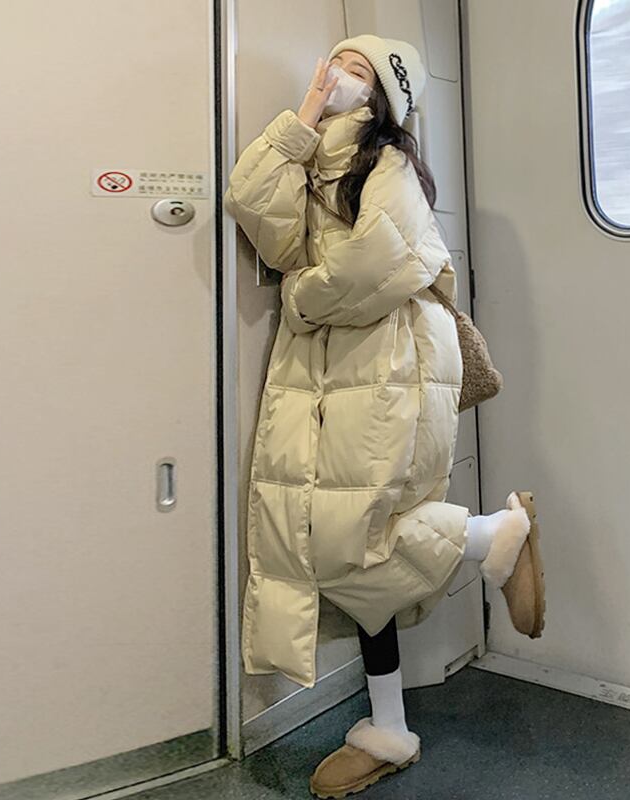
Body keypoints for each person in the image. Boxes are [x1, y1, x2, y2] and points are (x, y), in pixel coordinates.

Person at [224, 33, 545, 799]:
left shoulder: (389, 161)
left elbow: (383, 261)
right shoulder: (313, 161)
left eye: (358, 69)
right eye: (336, 62)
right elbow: (256, 212)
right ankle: (390, 727)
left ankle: (492, 536)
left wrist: (301, 296)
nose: (339, 74)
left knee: (354, 536)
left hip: (389, 354)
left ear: (383, 94)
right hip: (331, 361)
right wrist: (301, 119)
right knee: (341, 536)